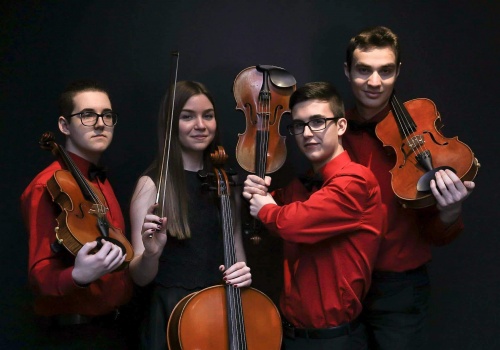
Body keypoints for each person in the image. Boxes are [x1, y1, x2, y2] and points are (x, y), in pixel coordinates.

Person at [342, 26, 476, 349]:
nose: (375, 82)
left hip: (399, 289)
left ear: (398, 71)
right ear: (347, 71)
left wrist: (450, 210)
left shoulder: (419, 131)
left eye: (385, 71)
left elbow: (434, 233)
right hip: (343, 285)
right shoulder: (333, 133)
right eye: (364, 70)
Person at [243, 82, 384, 350]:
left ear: (341, 126)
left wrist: (264, 207)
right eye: (299, 125)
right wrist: (261, 195)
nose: (307, 133)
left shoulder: (355, 181)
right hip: (293, 336)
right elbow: (279, 208)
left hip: (334, 341)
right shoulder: (304, 185)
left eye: (318, 122)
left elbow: (292, 222)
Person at [128, 80, 252, 350]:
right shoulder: (152, 186)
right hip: (172, 312)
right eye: (187, 117)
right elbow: (139, 277)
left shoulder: (228, 182)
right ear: (171, 124)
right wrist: (151, 254)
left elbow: (236, 248)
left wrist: (242, 274)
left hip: (222, 308)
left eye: (208, 116)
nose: (201, 125)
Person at [20, 80, 133, 348]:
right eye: (87, 115)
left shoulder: (100, 181)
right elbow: (39, 276)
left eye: (107, 115)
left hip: (114, 331)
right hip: (75, 336)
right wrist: (77, 276)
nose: (100, 123)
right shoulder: (45, 186)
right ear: (63, 126)